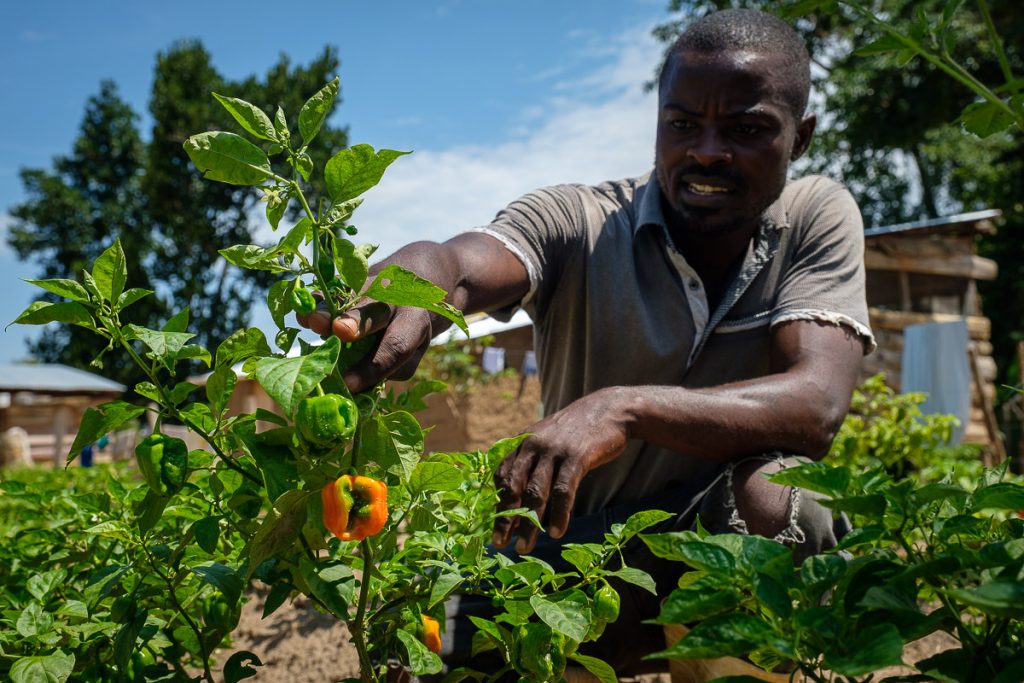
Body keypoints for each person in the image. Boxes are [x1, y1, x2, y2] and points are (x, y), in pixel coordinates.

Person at [300, 8, 874, 674]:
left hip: (710, 539)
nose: (708, 151)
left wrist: (620, 408)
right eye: (683, 123)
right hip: (566, 555)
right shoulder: (581, 219)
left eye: (745, 129)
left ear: (800, 137)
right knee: (424, 636)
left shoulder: (813, 218)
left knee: (789, 501)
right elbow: (464, 263)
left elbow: (816, 404)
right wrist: (422, 275)